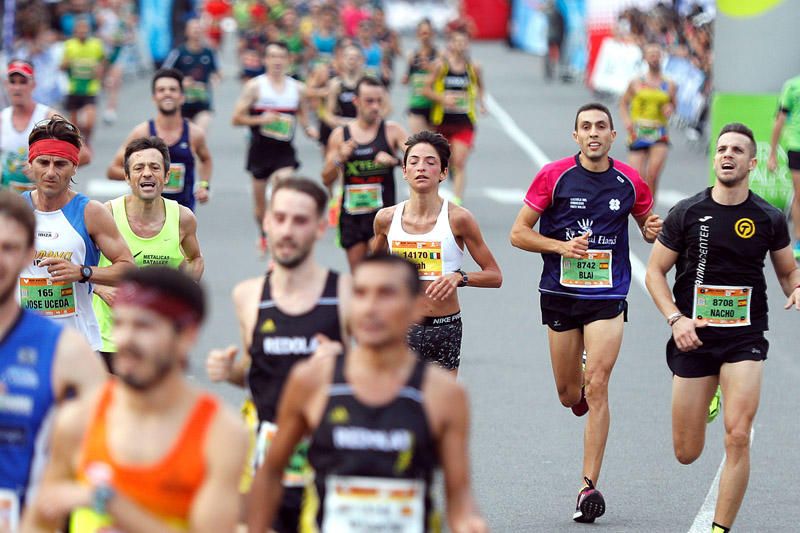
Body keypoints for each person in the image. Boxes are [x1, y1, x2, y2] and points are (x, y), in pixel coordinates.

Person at [247, 254, 488, 533]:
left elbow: (459, 495)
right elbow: (271, 472)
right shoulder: (312, 381)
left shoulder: (445, 394)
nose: (371, 307)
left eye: (386, 294)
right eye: (360, 294)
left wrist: (468, 522)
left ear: (414, 307)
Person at [509, 103, 662, 523]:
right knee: (569, 395)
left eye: (601, 126)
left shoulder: (630, 181)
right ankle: (577, 374)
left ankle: (588, 487)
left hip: (607, 296)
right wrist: (561, 246)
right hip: (560, 293)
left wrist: (651, 229)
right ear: (575, 136)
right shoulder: (553, 176)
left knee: (597, 385)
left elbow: (648, 223)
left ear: (614, 135)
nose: (594, 133)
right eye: (586, 127)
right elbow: (518, 233)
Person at [645, 122, 800, 533]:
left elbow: (787, 271)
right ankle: (709, 393)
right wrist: (675, 319)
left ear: (752, 162)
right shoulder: (687, 213)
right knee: (686, 451)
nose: (727, 155)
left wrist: (797, 286)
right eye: (722, 149)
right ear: (714, 159)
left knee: (737, 435)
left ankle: (720, 528)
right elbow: (655, 273)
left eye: (736, 150)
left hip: (744, 337)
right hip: (692, 336)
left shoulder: (767, 217)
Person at [22, 267, 248, 532]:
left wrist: (107, 501)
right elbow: (40, 523)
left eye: (143, 326)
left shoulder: (219, 434)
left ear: (187, 335)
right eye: (119, 323)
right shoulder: (79, 420)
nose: (126, 339)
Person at [205, 177, 350, 532]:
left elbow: (382, 378)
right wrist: (231, 371)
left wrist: (344, 364)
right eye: (280, 218)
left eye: (299, 221)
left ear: (320, 226)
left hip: (326, 449)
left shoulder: (347, 295)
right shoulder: (248, 296)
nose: (286, 231)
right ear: (266, 222)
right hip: (264, 449)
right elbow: (258, 373)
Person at [0, 191, 106, 530]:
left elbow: (113, 450)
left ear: (28, 254)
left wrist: (87, 497)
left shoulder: (66, 351)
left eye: (9, 248)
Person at [372, 131, 502, 373]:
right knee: (400, 407)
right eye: (414, 161)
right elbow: (369, 272)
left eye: (430, 162)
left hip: (444, 327)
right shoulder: (386, 219)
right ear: (404, 170)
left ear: (443, 172)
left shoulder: (459, 219)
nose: (421, 167)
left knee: (438, 409)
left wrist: (460, 277)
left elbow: (495, 276)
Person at [20, 115, 134, 352]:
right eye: (43, 162)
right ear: (31, 164)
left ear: (74, 166)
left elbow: (128, 269)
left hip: (76, 345)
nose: (51, 172)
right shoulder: (15, 212)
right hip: (24, 342)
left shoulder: (90, 212)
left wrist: (83, 272)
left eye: (60, 164)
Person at [94, 136, 204, 371]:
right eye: (138, 168)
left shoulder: (183, 219)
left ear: (166, 176)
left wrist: (184, 289)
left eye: (155, 168)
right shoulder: (106, 215)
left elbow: (195, 259)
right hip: (109, 338)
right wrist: (100, 288)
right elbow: (79, 265)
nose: (147, 174)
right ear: (127, 176)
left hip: (159, 339)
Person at [232, 42, 319, 256]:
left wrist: (308, 128)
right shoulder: (255, 87)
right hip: (260, 150)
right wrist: (261, 118)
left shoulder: (296, 88)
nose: (277, 61)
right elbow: (236, 118)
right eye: (272, 56)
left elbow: (302, 112)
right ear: (266, 60)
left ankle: (278, 230)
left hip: (284, 151)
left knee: (283, 181)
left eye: (281, 56)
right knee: (260, 208)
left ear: (288, 60)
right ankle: (263, 232)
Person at [323, 76, 408, 270]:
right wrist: (339, 159)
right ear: (356, 102)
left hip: (383, 215)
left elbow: (418, 162)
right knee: (360, 277)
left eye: (379, 101)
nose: (376, 106)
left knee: (380, 273)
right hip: (352, 214)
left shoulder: (392, 131)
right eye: (369, 101)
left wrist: (394, 161)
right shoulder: (340, 135)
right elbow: (326, 178)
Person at [107, 68, 213, 211]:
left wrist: (204, 185)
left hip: (181, 215)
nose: (167, 93)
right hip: (144, 215)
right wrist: (144, 175)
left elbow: (206, 159)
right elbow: (113, 170)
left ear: (182, 96)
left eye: (173, 89)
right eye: (161, 90)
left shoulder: (195, 134)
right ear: (154, 97)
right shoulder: (141, 133)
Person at [426, 28, 487, 205]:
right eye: (457, 42)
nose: (460, 45)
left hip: (464, 122)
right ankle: (436, 194)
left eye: (463, 42)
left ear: (468, 44)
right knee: (441, 161)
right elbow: (425, 89)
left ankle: (457, 202)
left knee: (459, 161)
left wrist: (481, 104)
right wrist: (442, 98)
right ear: (450, 44)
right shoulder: (441, 66)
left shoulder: (473, 67)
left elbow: (481, 87)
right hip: (442, 122)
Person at [619, 43, 677, 198]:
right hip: (638, 131)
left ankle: (649, 215)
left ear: (662, 57)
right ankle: (642, 208)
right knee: (637, 178)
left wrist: (670, 109)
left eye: (657, 54)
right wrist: (626, 120)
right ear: (645, 58)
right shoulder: (636, 82)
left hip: (659, 132)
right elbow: (623, 103)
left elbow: (673, 104)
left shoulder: (669, 84)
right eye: (651, 54)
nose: (654, 57)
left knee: (653, 174)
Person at [1, 60, 60, 193]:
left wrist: (44, 169)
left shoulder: (49, 117)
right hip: (8, 201)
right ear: (6, 85)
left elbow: (83, 154)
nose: (17, 87)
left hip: (43, 199)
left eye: (23, 82)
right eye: (13, 82)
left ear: (33, 85)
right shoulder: (2, 119)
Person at [163, 19, 221, 133]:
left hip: (203, 102)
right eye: (193, 28)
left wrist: (215, 79)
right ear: (186, 32)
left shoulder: (209, 52)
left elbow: (218, 72)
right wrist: (181, 81)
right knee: (187, 137)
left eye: (199, 28)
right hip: (182, 104)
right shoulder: (178, 52)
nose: (197, 31)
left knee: (199, 133)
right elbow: (164, 74)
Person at [768, 72, 800, 260]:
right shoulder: (792, 85)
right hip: (797, 145)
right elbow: (779, 119)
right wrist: (772, 154)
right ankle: (798, 239)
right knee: (799, 194)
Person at [61, 17, 105, 148]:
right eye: (79, 30)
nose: (82, 32)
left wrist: (100, 71)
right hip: (74, 88)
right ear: (75, 31)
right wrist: (67, 64)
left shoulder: (96, 44)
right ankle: (78, 144)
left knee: (90, 121)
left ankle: (88, 141)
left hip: (90, 88)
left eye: (85, 30)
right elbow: (62, 66)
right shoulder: (69, 45)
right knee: (74, 125)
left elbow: (103, 61)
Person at [403, 19, 438, 134]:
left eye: (428, 33)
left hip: (434, 105)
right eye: (423, 33)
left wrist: (430, 68)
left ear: (433, 34)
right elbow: (406, 79)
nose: (425, 36)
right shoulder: (412, 56)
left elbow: (444, 77)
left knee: (436, 145)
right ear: (418, 34)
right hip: (417, 103)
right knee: (419, 142)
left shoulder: (439, 55)